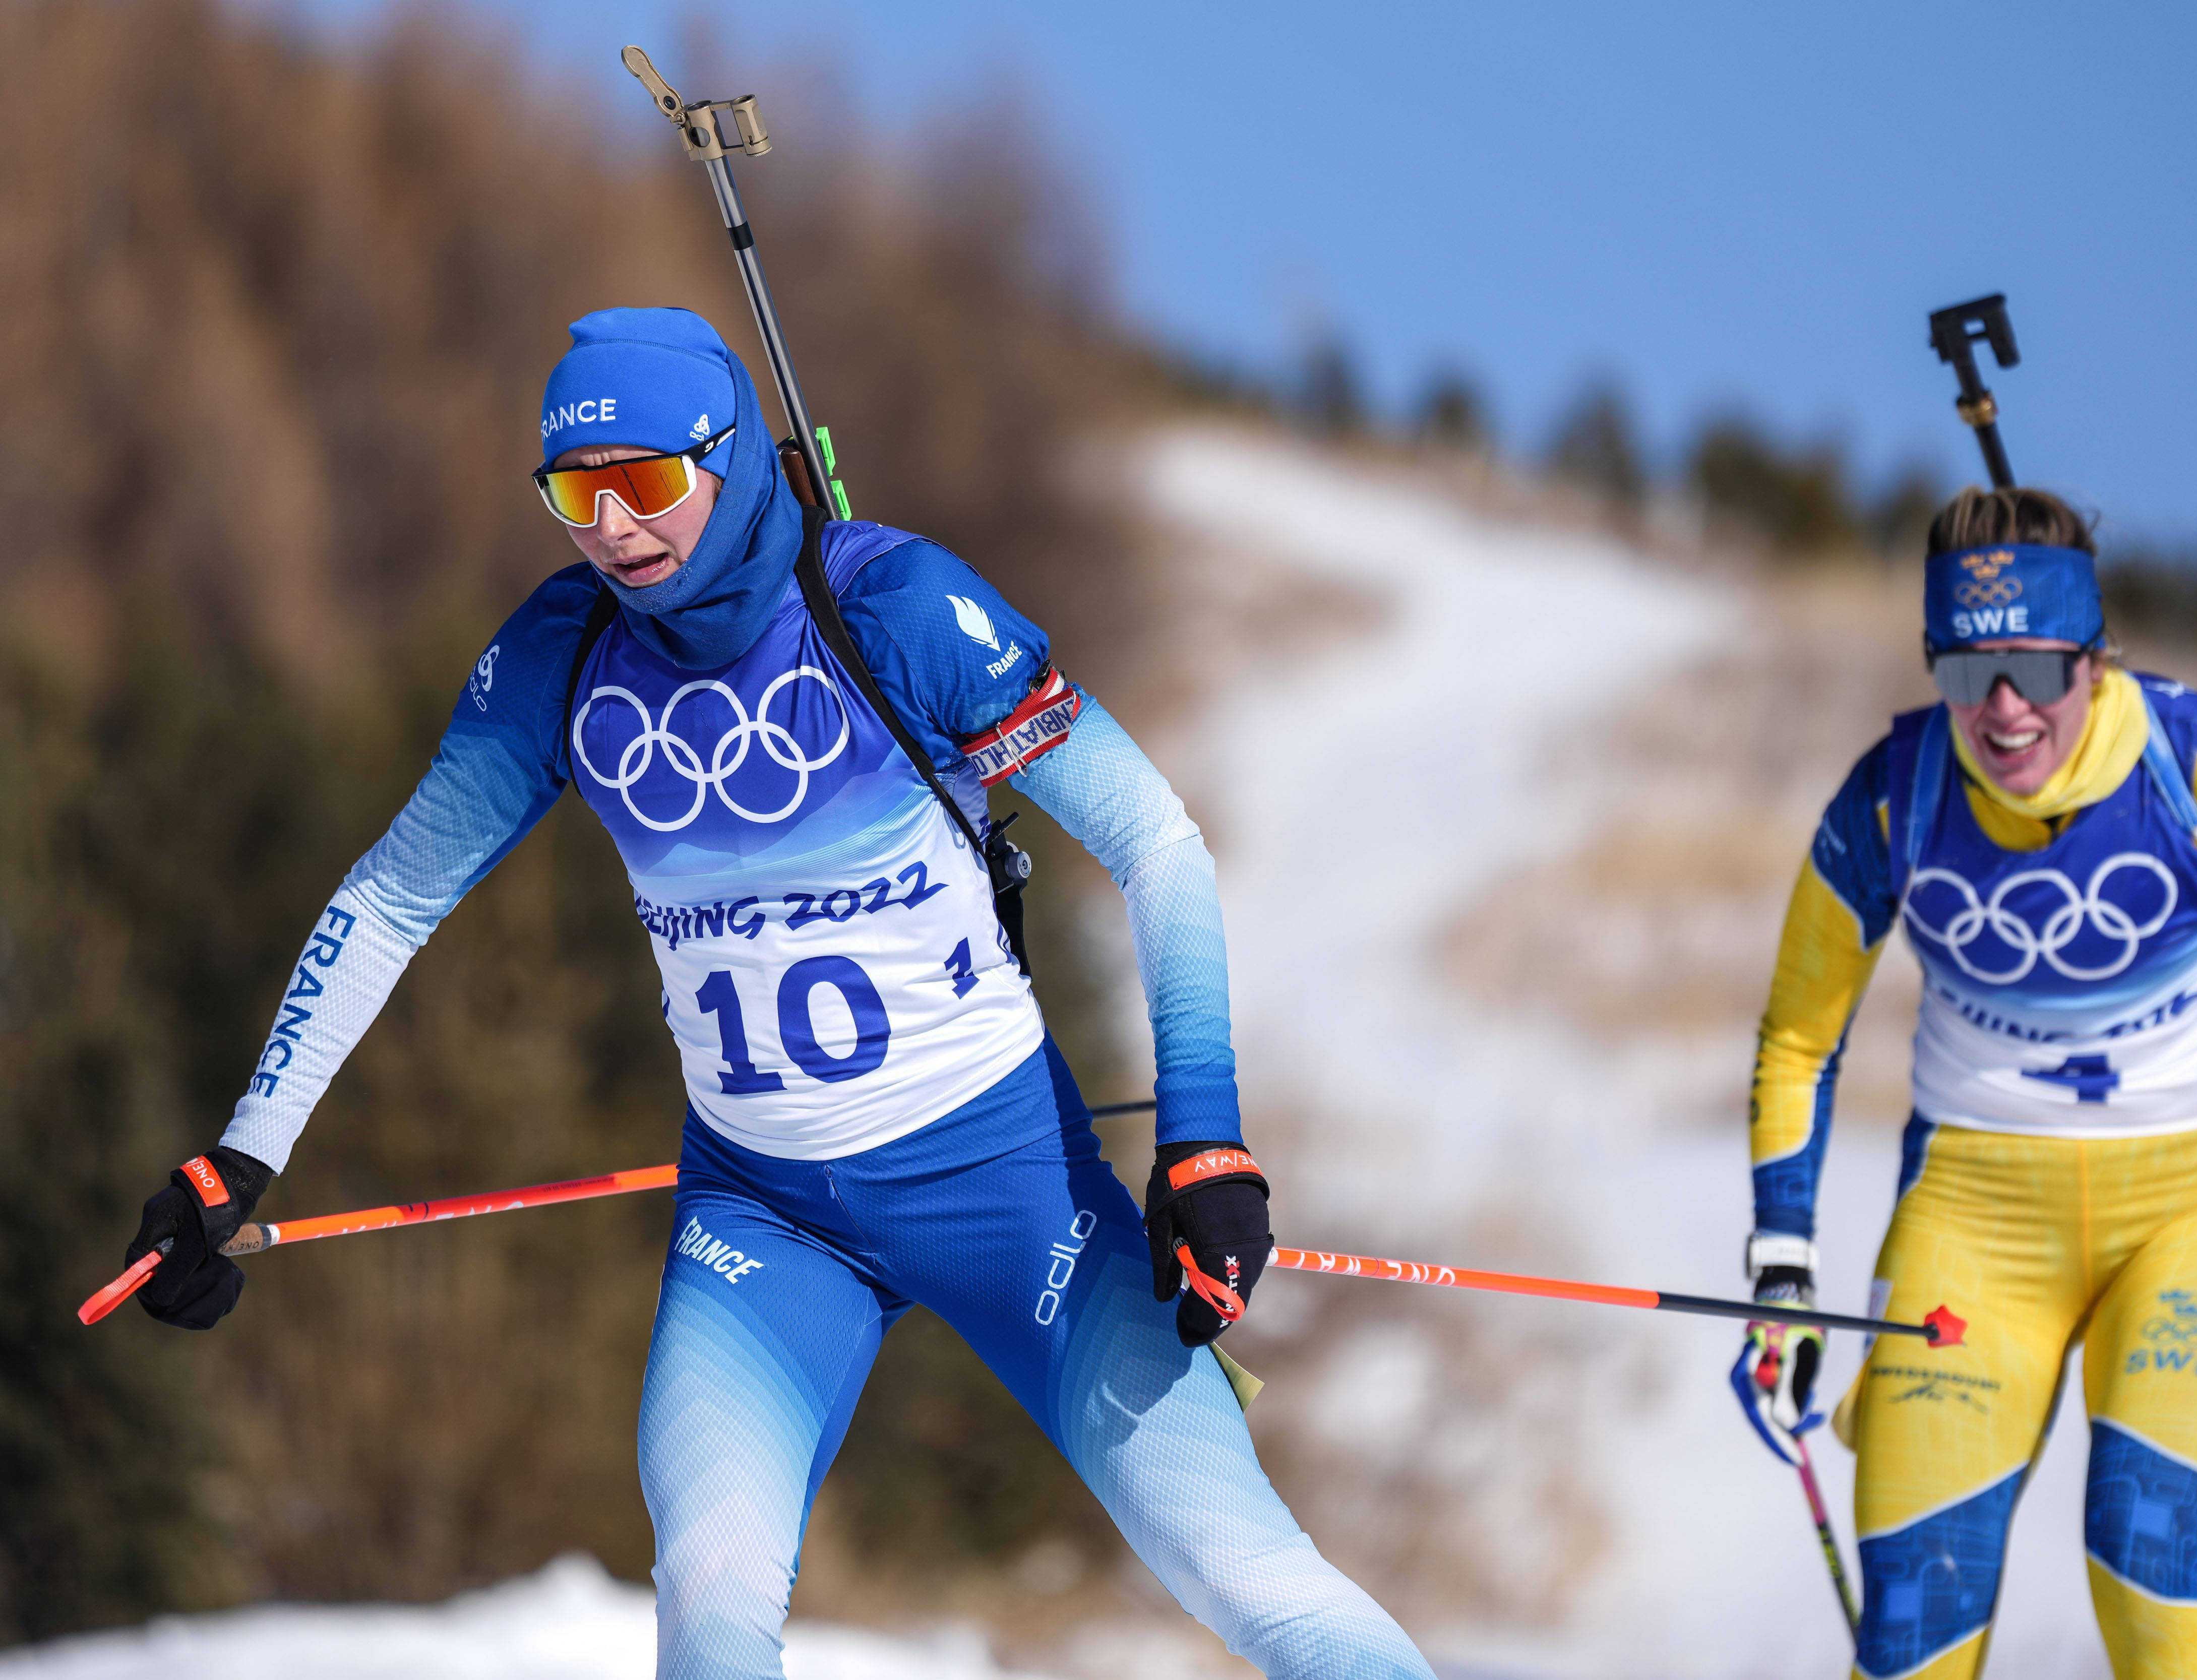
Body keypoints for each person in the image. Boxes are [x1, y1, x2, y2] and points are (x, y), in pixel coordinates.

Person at [120, 306, 1437, 1680]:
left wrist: (1204, 1138)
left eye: (649, 482)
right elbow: (393, 894)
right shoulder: (565, 656)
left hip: (1012, 1190)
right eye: (578, 491)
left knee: (1253, 1577)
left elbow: (1155, 838)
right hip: (764, 1218)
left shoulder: (892, 607)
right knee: (709, 1595)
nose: (615, 527)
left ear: (733, 456)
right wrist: (239, 1153)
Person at [1727, 487, 2197, 1679]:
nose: (2003, 710)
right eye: (1968, 672)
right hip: (1973, 1219)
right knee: (1911, 1625)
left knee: (2143, 1561)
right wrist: (1781, 1271)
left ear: (2091, 653)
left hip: (2196, 1207)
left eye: (2034, 666)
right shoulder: (1890, 797)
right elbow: (1797, 1041)